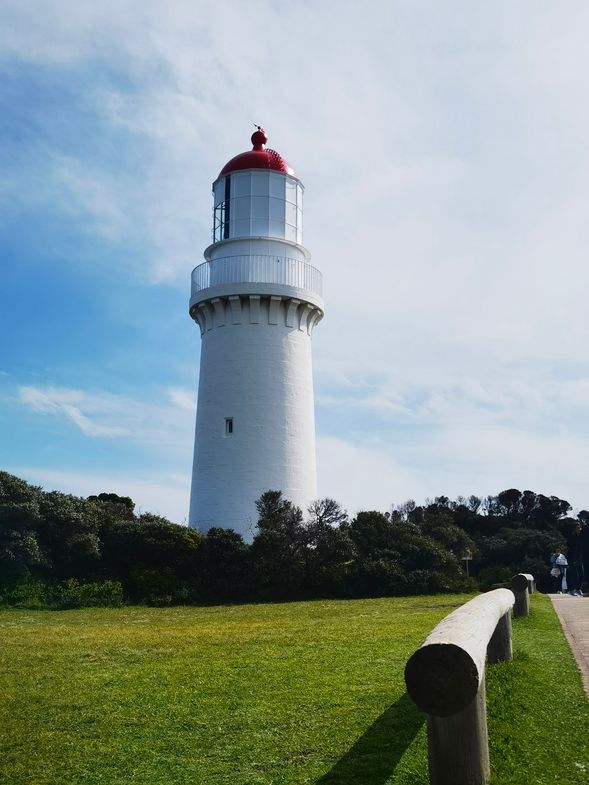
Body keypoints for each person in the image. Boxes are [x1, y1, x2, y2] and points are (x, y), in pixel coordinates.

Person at [566, 523, 585, 596]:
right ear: (574, 529)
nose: (579, 529)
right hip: (571, 557)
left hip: (579, 558)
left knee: (581, 574)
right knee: (574, 574)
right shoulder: (571, 537)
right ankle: (572, 590)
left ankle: (578, 589)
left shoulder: (582, 537)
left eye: (579, 528)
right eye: (577, 528)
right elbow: (568, 546)